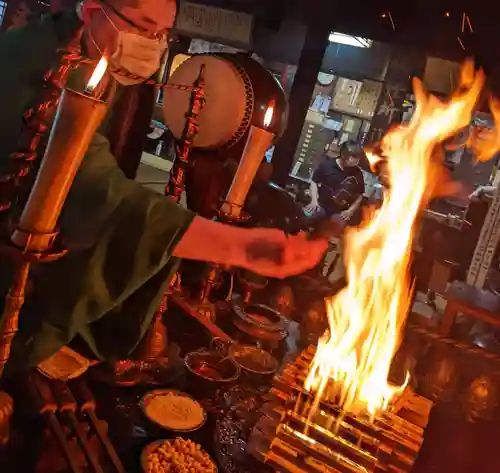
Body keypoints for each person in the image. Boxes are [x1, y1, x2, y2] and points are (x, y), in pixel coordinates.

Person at [0, 0, 329, 369]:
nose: (153, 44)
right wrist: (240, 248)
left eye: (161, 33)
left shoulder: (89, 54)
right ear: (93, 12)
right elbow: (94, 187)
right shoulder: (39, 66)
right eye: (142, 27)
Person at [305, 141, 366, 224]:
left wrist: (350, 211)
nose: (356, 161)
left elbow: (359, 196)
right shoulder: (327, 165)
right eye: (353, 157)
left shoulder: (358, 173)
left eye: (358, 158)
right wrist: (314, 201)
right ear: (344, 154)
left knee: (337, 228)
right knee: (305, 215)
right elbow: (314, 182)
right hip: (321, 205)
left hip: (339, 212)